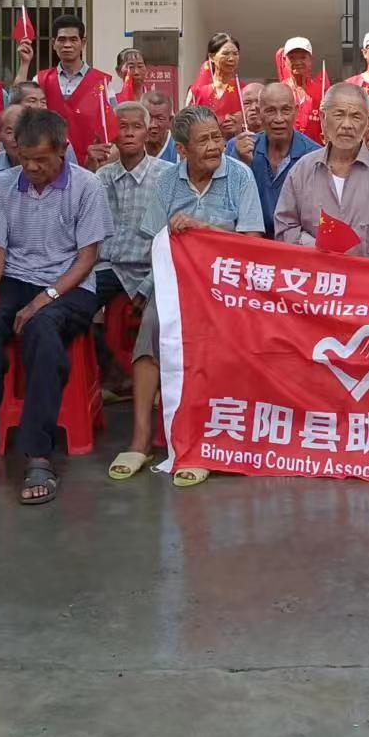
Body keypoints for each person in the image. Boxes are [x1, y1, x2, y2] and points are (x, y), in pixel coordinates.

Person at [0, 107, 113, 505]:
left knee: (43, 332)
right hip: (15, 279)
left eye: (41, 159)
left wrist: (45, 298)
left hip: (69, 285)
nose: (32, 168)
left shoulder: (87, 186)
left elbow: (87, 258)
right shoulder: (4, 185)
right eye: (25, 159)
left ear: (63, 150)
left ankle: (38, 454)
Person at [110, 106, 264, 486]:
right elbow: (155, 242)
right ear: (181, 150)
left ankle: (208, 439)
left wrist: (203, 230)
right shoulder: (167, 182)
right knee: (152, 325)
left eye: (217, 137)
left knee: (217, 339)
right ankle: (141, 438)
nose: (215, 146)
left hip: (227, 290)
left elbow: (253, 244)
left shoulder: (240, 176)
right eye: (204, 140)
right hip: (178, 286)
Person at [275, 83, 369, 262]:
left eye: (356, 116)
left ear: (366, 122)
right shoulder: (302, 170)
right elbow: (285, 228)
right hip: (314, 275)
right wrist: (319, 248)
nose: (347, 125)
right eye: (339, 115)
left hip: (367, 278)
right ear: (323, 118)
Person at [92, 101, 173, 396]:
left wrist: (150, 283)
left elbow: (171, 239)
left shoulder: (167, 176)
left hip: (150, 268)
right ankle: (112, 374)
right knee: (71, 306)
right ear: (113, 133)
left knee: (165, 319)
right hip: (108, 267)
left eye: (136, 127)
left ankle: (160, 386)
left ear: (147, 132)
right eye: (122, 127)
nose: (128, 133)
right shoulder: (101, 177)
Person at [241, 81, 320, 227]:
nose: (279, 119)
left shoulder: (314, 156)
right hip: (251, 236)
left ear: (296, 111)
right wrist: (243, 164)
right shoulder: (242, 149)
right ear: (259, 112)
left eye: (286, 110)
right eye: (270, 111)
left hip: (295, 238)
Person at [34, 13, 111, 162]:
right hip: (49, 164)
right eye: (62, 40)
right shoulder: (40, 80)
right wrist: (25, 63)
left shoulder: (102, 82)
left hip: (90, 165)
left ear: (83, 43)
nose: (67, 45)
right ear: (53, 43)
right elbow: (25, 116)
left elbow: (112, 127)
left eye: (73, 39)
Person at [188, 32, 247, 137]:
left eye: (235, 54)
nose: (231, 58)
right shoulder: (196, 92)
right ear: (211, 57)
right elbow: (188, 124)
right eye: (225, 54)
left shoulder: (244, 90)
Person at [143, 88, 177, 162]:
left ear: (170, 121)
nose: (153, 125)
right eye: (148, 117)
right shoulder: (131, 145)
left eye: (160, 118)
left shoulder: (179, 149)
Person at [280, 36, 315, 107]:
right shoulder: (279, 91)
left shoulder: (320, 90)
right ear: (284, 60)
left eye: (303, 57)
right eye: (292, 58)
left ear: (310, 59)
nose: (298, 62)